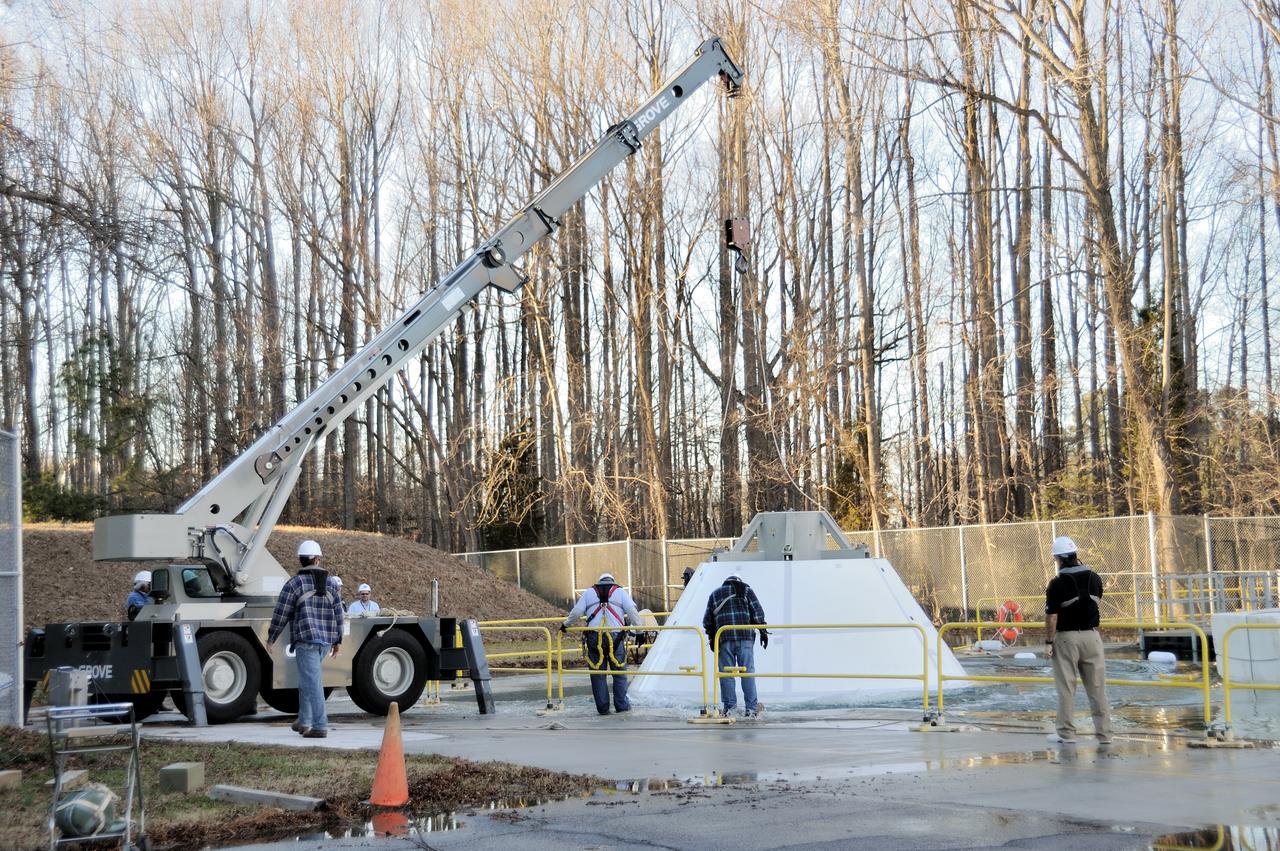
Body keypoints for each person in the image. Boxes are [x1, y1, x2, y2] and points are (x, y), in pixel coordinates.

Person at [266, 540, 343, 738]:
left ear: (301, 560)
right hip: (325, 642)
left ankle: (319, 726)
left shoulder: (294, 583)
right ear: (317, 559)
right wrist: (338, 640)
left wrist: (271, 637)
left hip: (306, 640)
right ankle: (304, 720)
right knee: (308, 681)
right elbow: (338, 613)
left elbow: (281, 613)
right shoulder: (332, 583)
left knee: (313, 683)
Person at [1044, 535, 1112, 745]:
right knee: (1097, 689)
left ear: (1059, 559)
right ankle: (1105, 735)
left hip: (1066, 639)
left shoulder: (1056, 583)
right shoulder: (1094, 577)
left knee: (1066, 688)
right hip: (1092, 638)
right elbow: (1096, 600)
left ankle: (1067, 734)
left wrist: (1048, 642)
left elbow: (1052, 616)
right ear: (1075, 555)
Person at [560, 573, 640, 715]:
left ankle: (603, 709)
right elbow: (632, 611)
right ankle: (621, 706)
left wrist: (566, 624)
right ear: (613, 581)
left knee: (598, 675)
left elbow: (577, 611)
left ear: (599, 582)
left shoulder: (589, 592)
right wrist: (639, 631)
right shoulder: (620, 592)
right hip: (615, 637)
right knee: (619, 674)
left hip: (594, 637)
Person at [703, 574, 768, 717]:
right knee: (747, 673)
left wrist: (712, 636)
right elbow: (757, 612)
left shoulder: (715, 594)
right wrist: (763, 630)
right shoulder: (745, 590)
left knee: (726, 675)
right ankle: (751, 710)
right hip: (745, 637)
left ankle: (729, 710)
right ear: (739, 581)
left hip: (724, 638)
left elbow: (707, 621)